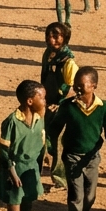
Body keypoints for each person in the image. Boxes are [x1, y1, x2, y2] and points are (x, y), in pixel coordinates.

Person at [46, 67, 106, 211]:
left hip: (92, 159)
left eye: (81, 85)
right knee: (76, 198)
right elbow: (54, 129)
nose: (76, 89)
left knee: (90, 197)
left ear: (93, 86)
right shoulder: (68, 106)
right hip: (72, 157)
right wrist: (49, 149)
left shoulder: (103, 108)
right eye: (75, 85)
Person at [0, 80, 47, 211]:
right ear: (30, 101)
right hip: (14, 172)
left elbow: (42, 142)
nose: (45, 101)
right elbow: (3, 151)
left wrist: (43, 162)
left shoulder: (40, 118)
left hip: (30, 171)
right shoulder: (12, 122)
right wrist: (12, 172)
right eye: (42, 97)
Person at [39, 22, 77, 190]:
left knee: (59, 142)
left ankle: (61, 179)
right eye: (48, 35)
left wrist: (60, 103)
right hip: (46, 103)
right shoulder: (48, 54)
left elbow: (72, 87)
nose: (51, 39)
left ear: (65, 38)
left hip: (60, 107)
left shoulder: (68, 61)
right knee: (42, 135)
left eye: (55, 36)